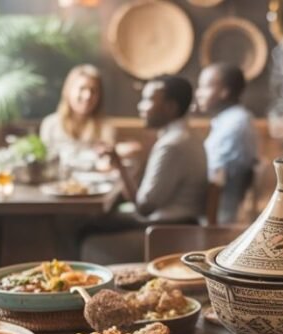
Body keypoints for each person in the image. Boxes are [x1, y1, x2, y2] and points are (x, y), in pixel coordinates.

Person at [109, 74, 207, 224]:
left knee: (86, 224)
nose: (140, 106)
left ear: (170, 107)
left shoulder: (172, 145)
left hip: (168, 227)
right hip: (177, 222)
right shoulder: (188, 136)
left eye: (147, 100)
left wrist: (119, 165)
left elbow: (144, 207)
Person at [195, 63, 258, 224]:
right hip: (215, 209)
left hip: (217, 215)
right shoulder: (231, 120)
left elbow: (215, 176)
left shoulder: (234, 125)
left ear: (224, 92)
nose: (198, 93)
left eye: (204, 87)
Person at [40, 64, 116, 153]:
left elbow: (107, 158)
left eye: (93, 90)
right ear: (68, 90)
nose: (87, 96)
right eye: (82, 88)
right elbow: (44, 158)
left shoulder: (106, 128)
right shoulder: (50, 125)